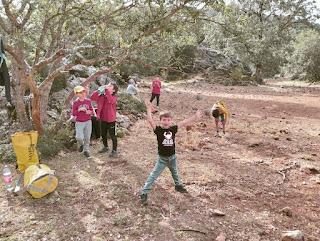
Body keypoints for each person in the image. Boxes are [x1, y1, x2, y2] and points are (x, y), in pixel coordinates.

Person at [140, 99, 202, 204]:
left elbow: (184, 122)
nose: (166, 121)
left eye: (168, 120)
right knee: (154, 175)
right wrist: (148, 109)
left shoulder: (173, 129)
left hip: (172, 157)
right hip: (162, 159)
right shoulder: (158, 130)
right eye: (164, 119)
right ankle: (144, 191)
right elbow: (150, 120)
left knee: (175, 172)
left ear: (171, 121)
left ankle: (178, 186)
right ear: (160, 121)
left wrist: (195, 117)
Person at [91, 83, 119, 157]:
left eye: (110, 86)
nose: (107, 86)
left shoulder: (114, 97)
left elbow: (110, 101)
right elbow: (92, 98)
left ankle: (114, 150)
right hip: (103, 118)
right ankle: (105, 147)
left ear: (113, 90)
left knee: (113, 135)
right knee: (103, 134)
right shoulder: (102, 96)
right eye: (108, 85)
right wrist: (98, 90)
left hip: (111, 119)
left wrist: (106, 91)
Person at [72, 85, 93, 158]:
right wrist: (79, 110)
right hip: (79, 122)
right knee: (79, 137)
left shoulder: (88, 101)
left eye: (83, 91)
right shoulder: (75, 103)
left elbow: (91, 111)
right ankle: (81, 144)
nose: (83, 93)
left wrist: (89, 112)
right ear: (76, 94)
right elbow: (73, 113)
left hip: (88, 121)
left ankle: (86, 151)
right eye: (80, 92)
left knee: (87, 137)